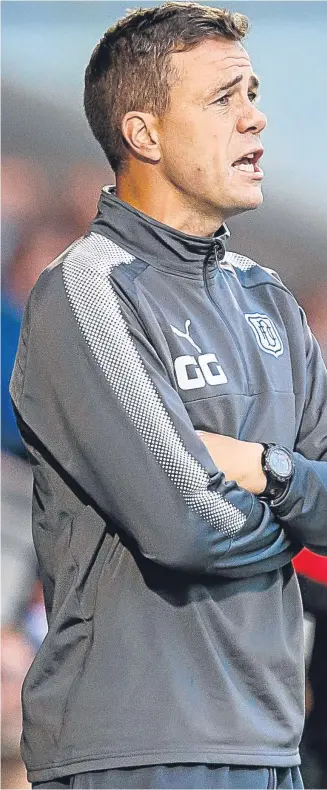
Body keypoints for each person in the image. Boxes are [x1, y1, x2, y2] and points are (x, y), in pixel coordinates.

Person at [10, 3, 327, 789]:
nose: (255, 119)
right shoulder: (85, 290)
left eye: (253, 93)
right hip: (136, 746)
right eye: (224, 98)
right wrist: (290, 521)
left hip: (271, 744)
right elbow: (181, 526)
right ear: (143, 133)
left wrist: (263, 469)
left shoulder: (269, 298)